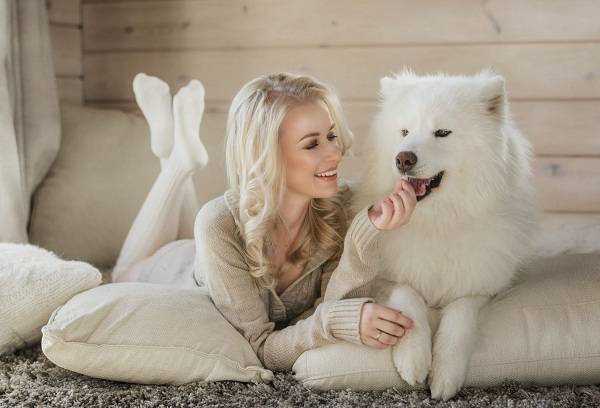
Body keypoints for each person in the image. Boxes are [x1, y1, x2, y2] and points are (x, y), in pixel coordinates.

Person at [112, 72, 418, 371]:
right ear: (267, 154)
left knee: (200, 225)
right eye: (312, 144)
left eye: (332, 136)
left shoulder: (344, 206)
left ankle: (176, 152)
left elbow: (337, 304)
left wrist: (369, 231)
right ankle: (176, 161)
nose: (336, 152)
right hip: (174, 268)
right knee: (120, 272)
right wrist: (332, 322)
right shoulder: (218, 224)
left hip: (206, 249)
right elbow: (261, 349)